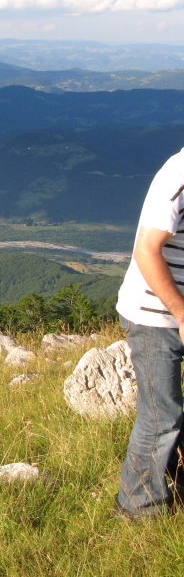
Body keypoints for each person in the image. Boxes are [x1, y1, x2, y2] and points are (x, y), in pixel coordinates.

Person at [115, 147, 184, 519]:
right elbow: (146, 251)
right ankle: (138, 508)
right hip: (154, 316)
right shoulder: (178, 177)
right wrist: (182, 314)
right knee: (161, 416)